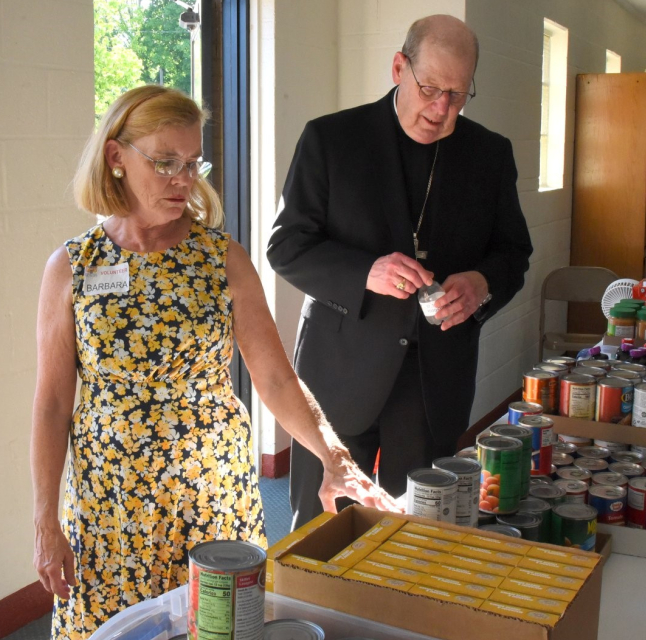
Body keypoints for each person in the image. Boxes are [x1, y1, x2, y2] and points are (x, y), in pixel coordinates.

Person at [30, 85, 398, 639]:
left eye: (192, 162)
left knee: (220, 625)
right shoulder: (73, 266)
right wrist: (45, 519)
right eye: (165, 162)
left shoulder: (220, 258)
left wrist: (333, 454)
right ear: (116, 158)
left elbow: (274, 376)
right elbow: (54, 402)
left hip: (210, 493)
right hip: (111, 505)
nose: (184, 179)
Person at [267, 15, 533, 528]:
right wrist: (366, 271)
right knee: (324, 524)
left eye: (457, 95)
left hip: (435, 374)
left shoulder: (489, 155)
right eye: (430, 88)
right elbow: (287, 246)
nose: (441, 109)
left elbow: (513, 251)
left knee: (419, 528)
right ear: (398, 68)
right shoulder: (331, 139)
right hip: (341, 367)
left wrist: (482, 285)